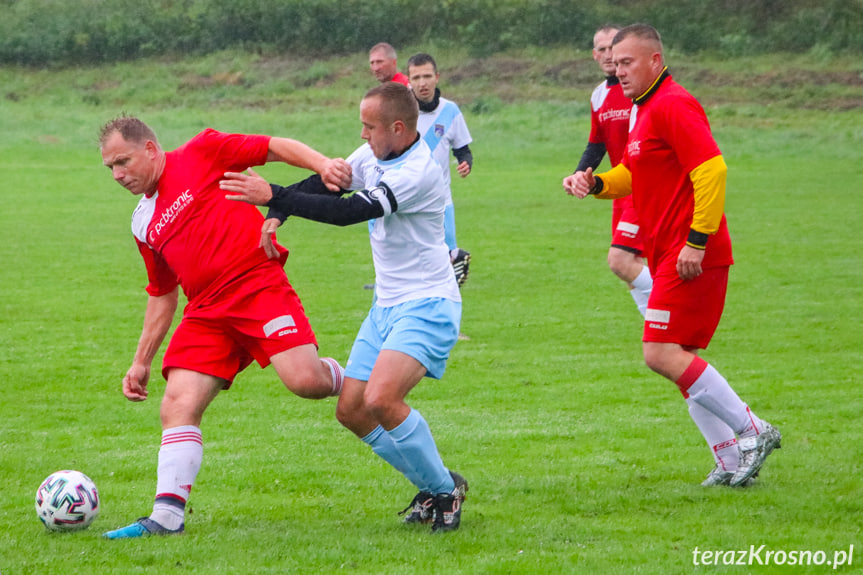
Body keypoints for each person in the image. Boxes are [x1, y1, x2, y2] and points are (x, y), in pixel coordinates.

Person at [220, 82, 468, 532]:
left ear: (397, 127)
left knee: (381, 399)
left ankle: (446, 494)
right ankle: (437, 485)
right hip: (386, 307)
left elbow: (349, 211)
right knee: (351, 411)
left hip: (428, 303)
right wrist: (279, 211)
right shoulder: (374, 154)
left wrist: (272, 192)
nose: (362, 135)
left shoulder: (419, 170)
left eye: (369, 127)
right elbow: (328, 182)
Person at [98, 116, 350, 538]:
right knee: (177, 403)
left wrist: (324, 165)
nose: (118, 175)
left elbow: (273, 145)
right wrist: (141, 362)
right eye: (110, 168)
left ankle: (355, 379)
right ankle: (165, 519)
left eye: (123, 161)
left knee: (306, 382)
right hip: (207, 311)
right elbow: (162, 293)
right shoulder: (142, 222)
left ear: (151, 149)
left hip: (256, 284)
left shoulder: (202, 151)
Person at [568, 24, 781, 487]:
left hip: (691, 255)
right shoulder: (643, 109)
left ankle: (753, 430)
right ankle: (728, 460)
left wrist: (697, 241)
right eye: (615, 63)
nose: (618, 70)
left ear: (654, 60)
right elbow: (634, 174)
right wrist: (597, 182)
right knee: (676, 356)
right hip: (668, 253)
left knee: (661, 352)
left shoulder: (672, 103)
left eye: (627, 62)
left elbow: (712, 170)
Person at [563, 24, 652, 317]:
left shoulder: (638, 90)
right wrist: (579, 174)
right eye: (601, 49)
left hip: (645, 188)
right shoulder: (599, 95)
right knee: (631, 268)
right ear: (594, 55)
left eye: (612, 47)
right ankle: (658, 329)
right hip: (619, 191)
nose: (607, 54)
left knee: (623, 261)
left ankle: (670, 315)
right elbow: (596, 145)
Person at [407, 52, 473, 288]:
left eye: (427, 76)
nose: (422, 83)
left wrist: (466, 162)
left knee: (445, 260)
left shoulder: (450, 111)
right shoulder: (401, 111)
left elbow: (462, 149)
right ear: (409, 81)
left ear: (437, 77)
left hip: (440, 200)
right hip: (406, 199)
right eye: (416, 77)